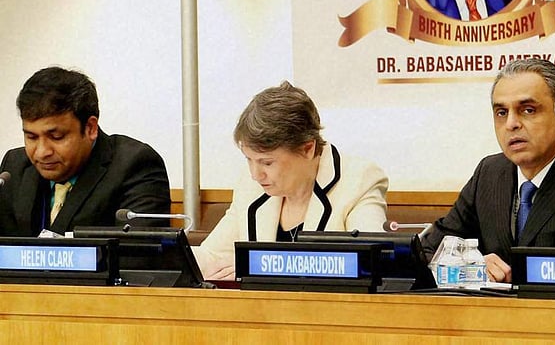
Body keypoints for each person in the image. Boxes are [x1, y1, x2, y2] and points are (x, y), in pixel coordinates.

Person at [423, 57, 555, 283]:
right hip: (487, 316)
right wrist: (472, 266)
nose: (511, 124)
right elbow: (429, 251)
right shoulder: (490, 172)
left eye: (527, 110)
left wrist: (491, 275)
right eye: (501, 112)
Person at [194, 82, 389, 280]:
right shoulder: (251, 186)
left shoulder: (359, 180)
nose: (255, 174)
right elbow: (212, 256)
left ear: (307, 149)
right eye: (249, 159)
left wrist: (257, 267)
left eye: (267, 163)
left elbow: (372, 262)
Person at [0, 67, 171, 236]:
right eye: (31, 137)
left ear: (90, 128)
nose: (42, 152)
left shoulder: (135, 166)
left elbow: (136, 256)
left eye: (57, 136)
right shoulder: (14, 168)